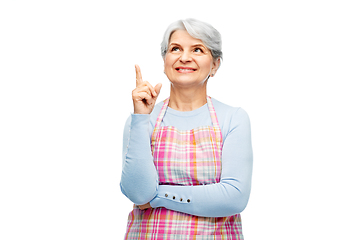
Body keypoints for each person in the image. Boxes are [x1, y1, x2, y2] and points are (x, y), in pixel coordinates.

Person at [120, 18, 253, 240]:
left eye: (197, 49)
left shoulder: (233, 118)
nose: (184, 57)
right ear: (165, 61)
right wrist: (140, 118)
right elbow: (137, 193)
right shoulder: (143, 120)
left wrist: (157, 197)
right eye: (175, 49)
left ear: (215, 65)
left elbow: (233, 197)